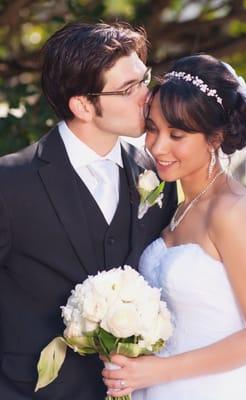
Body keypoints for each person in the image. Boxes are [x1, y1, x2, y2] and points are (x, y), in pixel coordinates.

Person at [0, 22, 177, 400]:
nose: (147, 96)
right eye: (129, 89)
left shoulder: (158, 174)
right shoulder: (10, 182)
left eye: (143, 79)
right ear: (82, 105)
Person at [102, 54, 246, 400]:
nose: (157, 147)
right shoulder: (177, 204)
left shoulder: (231, 211)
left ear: (215, 138)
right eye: (152, 129)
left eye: (176, 135)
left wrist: (161, 369)